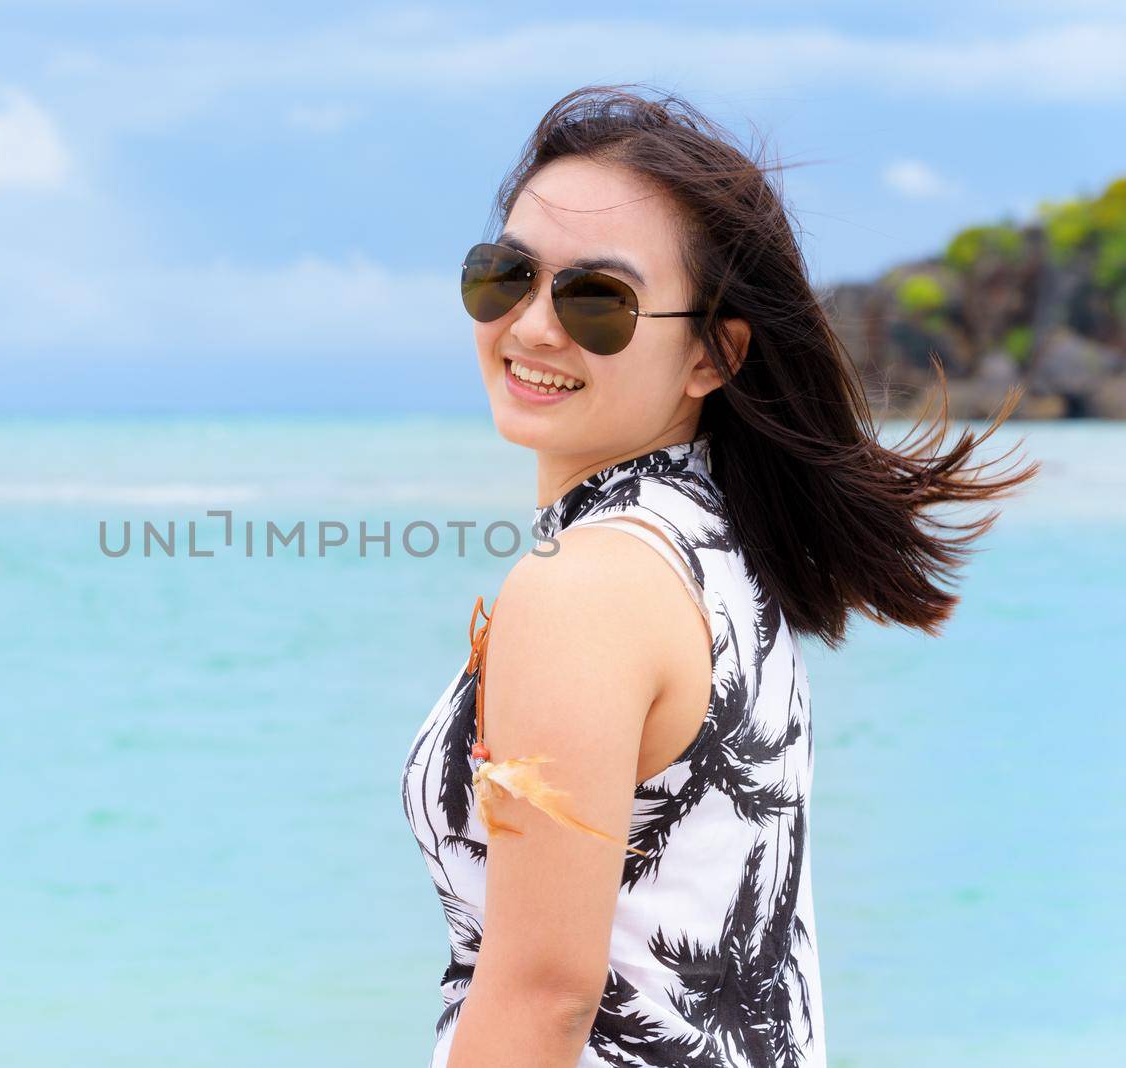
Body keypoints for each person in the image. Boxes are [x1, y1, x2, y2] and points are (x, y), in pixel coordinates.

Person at [400, 84, 1038, 1068]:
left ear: (712, 354)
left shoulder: (586, 588)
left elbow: (544, 1002)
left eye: (596, 300)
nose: (530, 326)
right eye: (506, 274)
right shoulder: (719, 545)